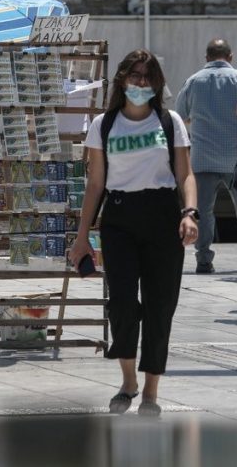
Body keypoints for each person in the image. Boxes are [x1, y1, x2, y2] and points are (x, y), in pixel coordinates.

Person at [68, 49, 198, 417]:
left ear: (156, 83)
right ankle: (128, 381)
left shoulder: (169, 121)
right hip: (120, 219)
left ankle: (151, 391)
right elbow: (96, 184)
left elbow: (185, 174)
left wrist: (189, 213)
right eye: (135, 75)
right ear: (122, 79)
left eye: (148, 76)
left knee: (160, 306)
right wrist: (82, 237)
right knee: (122, 304)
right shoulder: (104, 124)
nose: (141, 82)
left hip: (162, 216)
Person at [175, 38, 237, 274]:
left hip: (203, 158)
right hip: (236, 158)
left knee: (202, 211)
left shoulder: (193, 81)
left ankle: (203, 259)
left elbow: (180, 116)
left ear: (206, 57)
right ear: (230, 56)